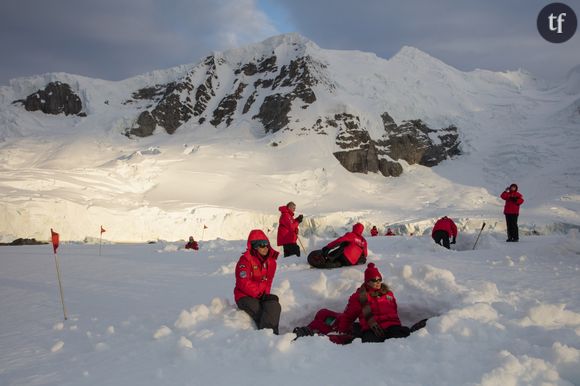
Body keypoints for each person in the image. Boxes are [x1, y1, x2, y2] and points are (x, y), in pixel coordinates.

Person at [234, 229, 281, 334]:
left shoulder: (271, 262)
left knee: (274, 306)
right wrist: (260, 295)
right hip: (244, 296)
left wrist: (266, 296)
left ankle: (272, 336)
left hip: (260, 296)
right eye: (261, 245)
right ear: (254, 246)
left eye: (266, 244)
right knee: (263, 313)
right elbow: (243, 282)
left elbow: (268, 282)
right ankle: (267, 338)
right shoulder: (245, 261)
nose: (265, 247)